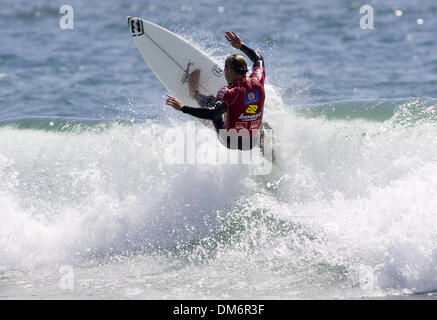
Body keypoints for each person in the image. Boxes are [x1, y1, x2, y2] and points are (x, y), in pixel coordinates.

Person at [165, 31, 266, 151]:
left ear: (227, 69)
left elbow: (213, 114)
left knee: (213, 103)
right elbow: (258, 59)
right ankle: (266, 149)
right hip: (252, 142)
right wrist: (241, 46)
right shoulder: (258, 81)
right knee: (264, 124)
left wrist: (183, 108)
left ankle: (195, 93)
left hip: (229, 140)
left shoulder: (228, 92)